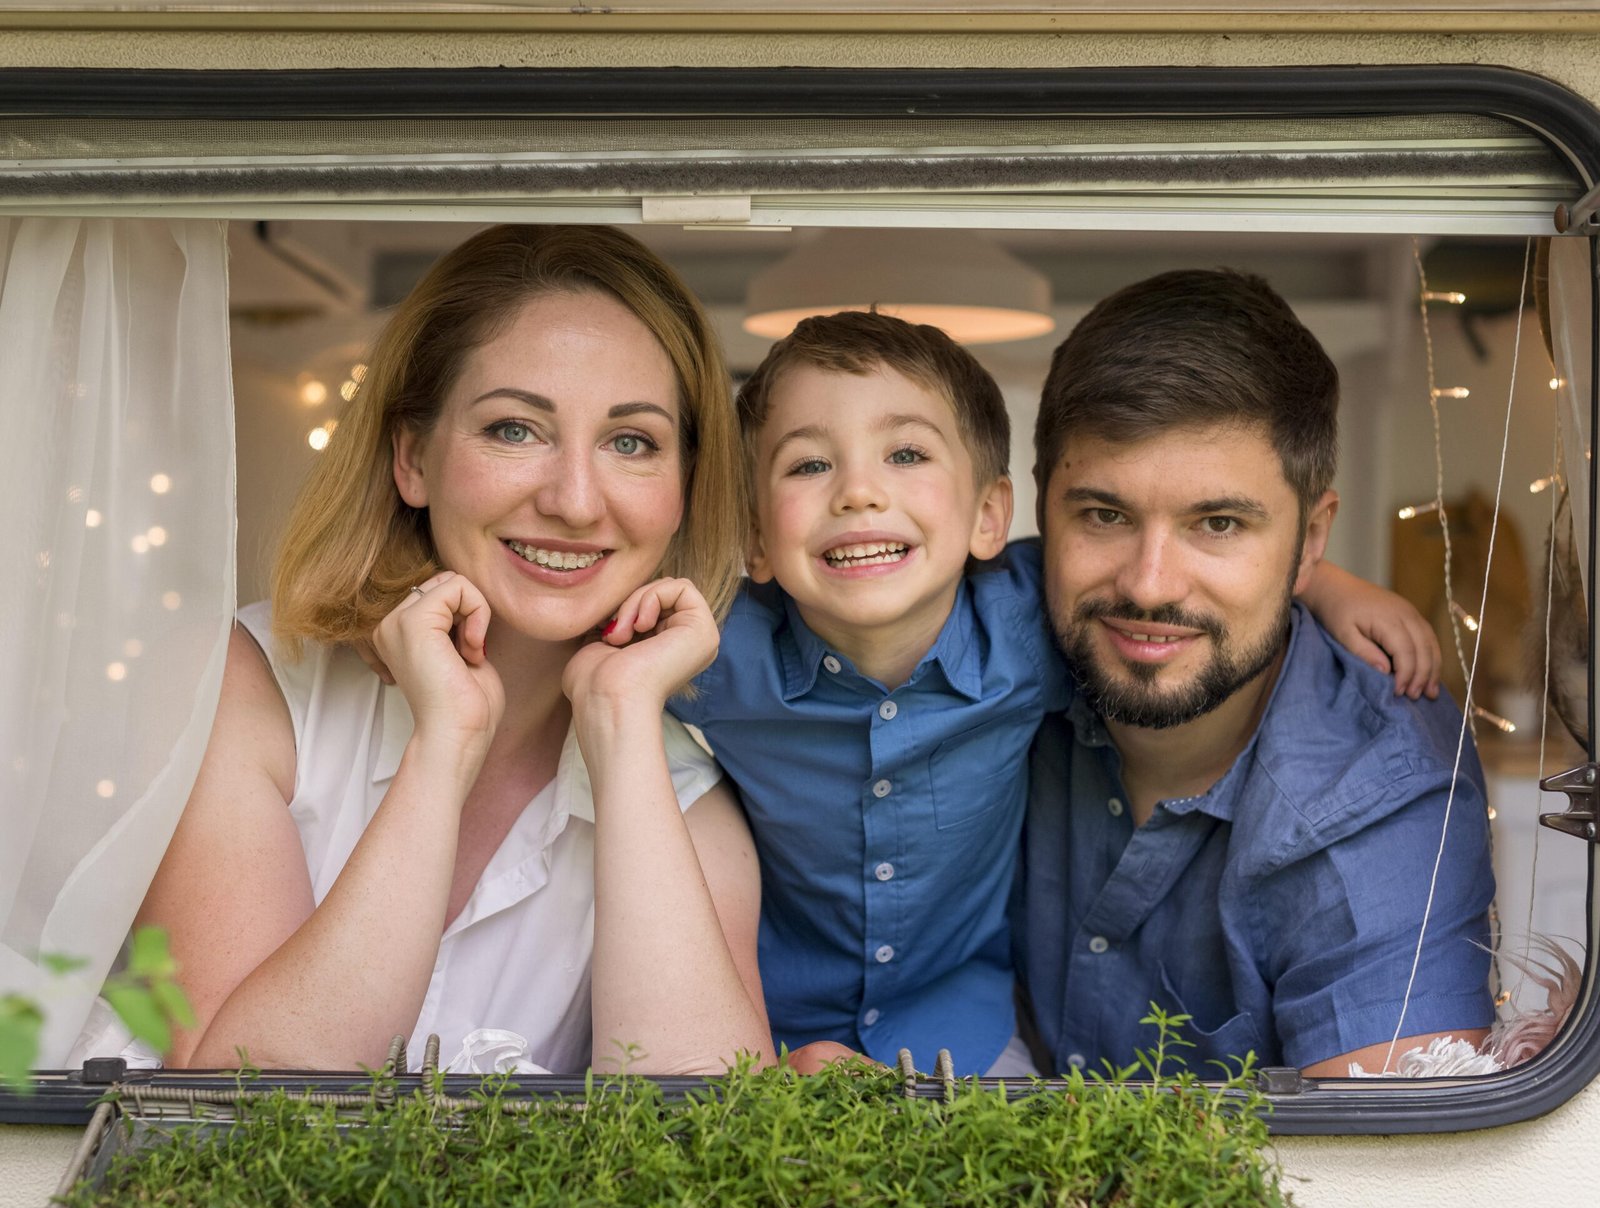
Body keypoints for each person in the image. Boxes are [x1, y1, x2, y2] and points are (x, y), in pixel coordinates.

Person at [654, 307, 1440, 1076]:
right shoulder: (706, 651)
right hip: (769, 1032)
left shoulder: (1035, 620)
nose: (858, 493)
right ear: (754, 534)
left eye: (905, 456)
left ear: (990, 516)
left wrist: (1324, 585)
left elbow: (1180, 599)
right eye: (809, 464)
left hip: (964, 1036)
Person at [119, 224, 774, 1074]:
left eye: (631, 442)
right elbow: (234, 1102)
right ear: (412, 460)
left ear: (683, 488)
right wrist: (445, 747)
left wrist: (621, 720)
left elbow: (709, 1150)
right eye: (514, 430)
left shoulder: (689, 802)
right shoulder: (243, 691)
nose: (576, 500)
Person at [1017, 268, 1496, 1078]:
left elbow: (1392, 1185)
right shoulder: (986, 632)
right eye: (1104, 515)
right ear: (1038, 509)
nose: (1148, 584)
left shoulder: (1381, 792)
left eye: (1219, 524)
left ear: (1312, 540)